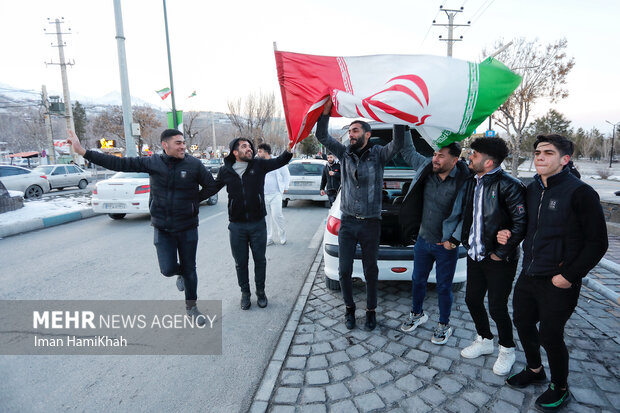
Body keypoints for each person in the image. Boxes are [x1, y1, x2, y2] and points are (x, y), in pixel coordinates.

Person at [67, 129, 218, 325]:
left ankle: (192, 307)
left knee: (190, 269)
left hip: (187, 227)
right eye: (178, 143)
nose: (183, 146)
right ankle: (179, 273)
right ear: (165, 145)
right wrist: (84, 152)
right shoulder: (153, 162)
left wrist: (191, 202)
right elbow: (119, 163)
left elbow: (211, 186)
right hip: (163, 228)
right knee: (167, 269)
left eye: (183, 142)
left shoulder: (194, 164)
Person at [502, 134, 607, 411]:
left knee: (550, 334)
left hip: (559, 281)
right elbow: (527, 226)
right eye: (537, 152)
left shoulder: (581, 193)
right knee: (523, 324)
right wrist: (508, 233)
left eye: (548, 153)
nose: (540, 157)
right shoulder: (533, 188)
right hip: (529, 274)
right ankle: (535, 370)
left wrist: (570, 276)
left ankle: (560, 387)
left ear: (564, 160)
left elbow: (598, 243)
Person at [316, 100, 404, 331]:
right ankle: (349, 309)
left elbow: (399, 142)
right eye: (349, 131)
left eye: (355, 130)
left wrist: (395, 112)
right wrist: (325, 112)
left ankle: (371, 311)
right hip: (347, 223)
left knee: (370, 271)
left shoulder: (379, 155)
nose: (350, 134)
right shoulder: (345, 154)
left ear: (367, 134)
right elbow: (322, 136)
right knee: (344, 271)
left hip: (371, 224)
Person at [457, 137, 527, 376]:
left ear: (488, 162)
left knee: (497, 307)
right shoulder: (472, 181)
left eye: (474, 154)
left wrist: (500, 253)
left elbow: (521, 223)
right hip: (475, 253)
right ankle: (485, 339)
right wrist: (467, 242)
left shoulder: (509, 184)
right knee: (472, 300)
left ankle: (507, 349)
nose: (470, 157)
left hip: (498, 259)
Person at [398, 130, 471, 345]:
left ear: (454, 159)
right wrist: (403, 122)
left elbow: (467, 214)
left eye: (441, 155)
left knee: (443, 286)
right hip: (423, 240)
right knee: (417, 280)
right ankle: (417, 314)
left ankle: (443, 325)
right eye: (434, 154)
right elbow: (407, 150)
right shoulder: (426, 168)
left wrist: (454, 240)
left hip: (445, 245)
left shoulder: (465, 180)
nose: (435, 159)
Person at [203, 138, 292, 310]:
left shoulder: (259, 165)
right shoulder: (225, 171)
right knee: (240, 263)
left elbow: (280, 161)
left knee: (260, 261)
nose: (249, 149)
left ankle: (261, 293)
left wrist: (288, 150)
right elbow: (211, 189)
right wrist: (189, 199)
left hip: (258, 223)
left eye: (250, 146)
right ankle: (245, 293)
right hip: (237, 226)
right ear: (235, 152)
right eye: (244, 147)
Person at [257, 143, 290, 245]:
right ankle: (268, 238)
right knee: (266, 217)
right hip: (263, 194)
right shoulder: (258, 162)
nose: (257, 153)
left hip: (276, 194)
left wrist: (285, 187)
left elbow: (286, 175)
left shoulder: (276, 161)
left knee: (277, 215)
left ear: (266, 152)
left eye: (260, 151)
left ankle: (282, 234)